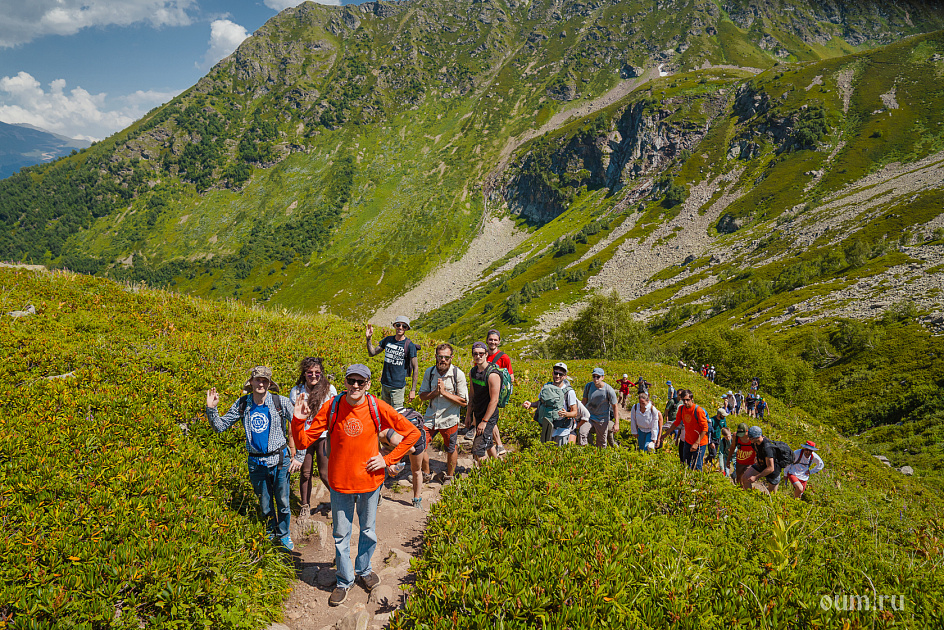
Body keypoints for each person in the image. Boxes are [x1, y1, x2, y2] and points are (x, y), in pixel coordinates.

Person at [291, 364, 419, 606]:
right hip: (340, 483)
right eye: (352, 381)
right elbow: (303, 441)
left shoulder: (376, 406)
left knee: (368, 530)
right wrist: (298, 420)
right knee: (341, 534)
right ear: (346, 382)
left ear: (368, 384)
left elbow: (412, 433)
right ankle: (344, 580)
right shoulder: (334, 406)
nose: (356, 386)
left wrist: (387, 459)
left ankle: (364, 569)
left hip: (370, 482)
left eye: (361, 382)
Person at [206, 366, 302, 550]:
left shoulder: (279, 402)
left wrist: (300, 455)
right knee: (265, 503)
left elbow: (299, 426)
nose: (261, 383)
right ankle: (269, 533)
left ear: (269, 384)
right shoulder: (243, 404)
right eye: (258, 380)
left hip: (280, 460)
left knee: (282, 501)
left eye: (265, 381)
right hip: (256, 462)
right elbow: (220, 426)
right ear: (251, 382)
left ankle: (283, 535)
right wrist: (212, 409)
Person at [288, 357, 337, 517]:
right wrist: (292, 445)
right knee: (306, 472)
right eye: (310, 372)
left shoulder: (330, 390)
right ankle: (305, 505)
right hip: (304, 437)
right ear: (304, 373)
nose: (313, 375)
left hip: (323, 436)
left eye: (317, 372)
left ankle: (340, 501)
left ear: (321, 373)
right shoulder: (296, 391)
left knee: (324, 473)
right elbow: (292, 420)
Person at [418, 343, 468, 483]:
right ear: (436, 356)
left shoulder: (458, 374)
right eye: (440, 357)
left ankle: (450, 476)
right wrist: (435, 393)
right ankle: (426, 473)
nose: (443, 360)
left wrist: (444, 393)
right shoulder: (430, 372)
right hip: (431, 417)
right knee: (419, 443)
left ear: (451, 357)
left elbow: (464, 401)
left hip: (449, 418)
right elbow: (422, 395)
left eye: (446, 357)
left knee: (451, 448)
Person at [366, 316, 418, 407]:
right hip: (385, 384)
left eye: (404, 326)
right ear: (394, 326)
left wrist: (413, 390)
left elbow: (415, 368)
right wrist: (368, 339)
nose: (400, 328)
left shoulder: (410, 345)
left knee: (396, 415)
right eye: (398, 325)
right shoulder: (388, 340)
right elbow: (372, 353)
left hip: (398, 387)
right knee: (385, 413)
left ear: (407, 329)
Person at [524, 362, 579, 445]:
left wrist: (566, 414)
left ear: (565, 376)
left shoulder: (569, 392)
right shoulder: (546, 387)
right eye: (556, 373)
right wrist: (531, 404)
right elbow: (541, 402)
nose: (557, 376)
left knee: (559, 454)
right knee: (547, 452)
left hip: (562, 430)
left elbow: (575, 412)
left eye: (561, 374)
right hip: (547, 427)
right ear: (552, 373)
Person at [466, 341, 502, 464]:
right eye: (475, 354)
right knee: (488, 443)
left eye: (481, 353)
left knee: (478, 450)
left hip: (489, 416)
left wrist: (484, 422)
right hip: (478, 413)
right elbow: (472, 394)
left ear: (486, 354)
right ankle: (497, 467)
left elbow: (494, 400)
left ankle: (487, 475)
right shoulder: (473, 372)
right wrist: (468, 415)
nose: (478, 356)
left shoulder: (492, 374)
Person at [385, 407, 427, 508]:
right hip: (409, 436)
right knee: (416, 470)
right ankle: (417, 500)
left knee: (416, 469)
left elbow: (411, 450)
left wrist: (389, 461)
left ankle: (417, 498)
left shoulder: (390, 437)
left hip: (414, 439)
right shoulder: (385, 433)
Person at [664, 389, 711, 470]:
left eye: (687, 400)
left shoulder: (698, 410)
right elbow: (676, 423)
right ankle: (686, 480)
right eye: (683, 400)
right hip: (688, 441)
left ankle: (697, 481)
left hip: (700, 442)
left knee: (697, 466)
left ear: (692, 399)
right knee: (685, 464)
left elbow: (705, 428)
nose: (685, 402)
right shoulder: (681, 409)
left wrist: (696, 443)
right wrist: (665, 434)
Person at [485, 329, 512, 456]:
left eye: (495, 340)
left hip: (496, 393)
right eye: (491, 339)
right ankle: (496, 444)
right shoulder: (483, 355)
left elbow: (511, 376)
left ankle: (499, 445)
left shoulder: (504, 357)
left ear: (499, 341)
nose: (493, 342)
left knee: (490, 416)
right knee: (489, 417)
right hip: (484, 391)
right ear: (487, 340)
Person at [582, 368, 619, 448]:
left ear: (602, 377)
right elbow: (584, 400)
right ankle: (584, 453)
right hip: (589, 416)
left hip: (602, 419)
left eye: (598, 377)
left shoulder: (609, 390)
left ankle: (599, 456)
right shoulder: (588, 386)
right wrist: (579, 414)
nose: (595, 379)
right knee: (582, 433)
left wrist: (617, 423)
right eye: (594, 376)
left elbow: (615, 406)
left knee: (601, 441)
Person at [740, 426, 781, 494]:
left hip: (773, 471)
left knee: (772, 495)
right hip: (761, 464)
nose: (749, 439)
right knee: (745, 478)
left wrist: (756, 477)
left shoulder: (767, 448)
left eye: (751, 438)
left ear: (758, 437)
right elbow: (757, 450)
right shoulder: (754, 443)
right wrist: (757, 458)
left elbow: (771, 468)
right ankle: (750, 498)